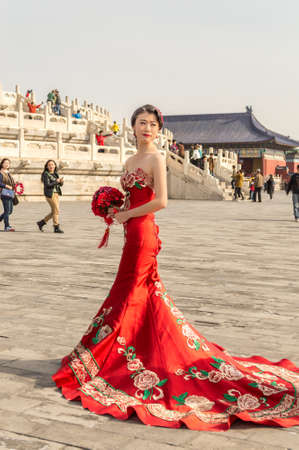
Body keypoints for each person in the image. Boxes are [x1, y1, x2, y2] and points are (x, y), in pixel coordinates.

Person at [52, 104, 299, 432]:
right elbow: (131, 198)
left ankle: (112, 353)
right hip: (130, 230)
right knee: (139, 295)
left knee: (129, 293)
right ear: (133, 126)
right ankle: (128, 349)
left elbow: (161, 201)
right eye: (142, 123)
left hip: (144, 232)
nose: (147, 128)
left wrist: (129, 214)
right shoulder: (129, 161)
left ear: (157, 129)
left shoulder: (155, 158)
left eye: (153, 124)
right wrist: (115, 209)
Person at [37, 160, 64, 233]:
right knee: (56, 210)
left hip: (56, 194)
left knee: (54, 211)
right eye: (49, 165)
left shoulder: (55, 174)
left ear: (55, 166)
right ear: (47, 166)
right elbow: (47, 185)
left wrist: (61, 182)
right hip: (50, 194)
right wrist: (56, 181)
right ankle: (56, 227)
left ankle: (41, 222)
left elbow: (59, 185)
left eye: (52, 164)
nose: (51, 166)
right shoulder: (46, 174)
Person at [0, 158, 15, 231]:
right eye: (5, 163)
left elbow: (10, 182)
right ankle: (7, 226)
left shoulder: (8, 173)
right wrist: (6, 186)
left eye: (8, 163)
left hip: (10, 193)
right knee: (7, 210)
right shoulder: (1, 172)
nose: (7, 164)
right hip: (4, 193)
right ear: (2, 164)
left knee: (10, 211)